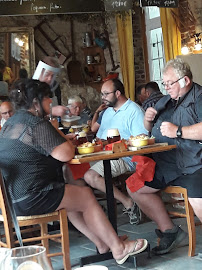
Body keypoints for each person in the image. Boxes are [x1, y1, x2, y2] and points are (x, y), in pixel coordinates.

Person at [0, 79, 148, 264]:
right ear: (36, 102)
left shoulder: (10, 123)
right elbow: (66, 153)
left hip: (12, 199)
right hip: (32, 196)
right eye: (47, 98)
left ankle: (103, 244)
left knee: (71, 198)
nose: (50, 102)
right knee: (85, 195)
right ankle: (119, 249)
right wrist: (55, 129)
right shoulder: (36, 124)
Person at [126, 57, 202, 255]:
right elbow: (148, 130)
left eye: (170, 83)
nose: (166, 87)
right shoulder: (165, 101)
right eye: (164, 83)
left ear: (185, 81)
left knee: (198, 199)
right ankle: (170, 231)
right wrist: (147, 121)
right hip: (168, 163)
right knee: (134, 187)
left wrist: (179, 131)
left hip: (195, 163)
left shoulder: (199, 97)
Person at [84, 79, 148, 224]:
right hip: (105, 155)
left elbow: (142, 140)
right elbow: (99, 138)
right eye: (102, 94)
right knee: (72, 172)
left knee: (90, 176)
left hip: (126, 158)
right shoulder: (107, 112)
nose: (103, 97)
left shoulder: (134, 111)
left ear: (118, 93)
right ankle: (95, 211)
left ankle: (128, 203)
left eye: (106, 94)